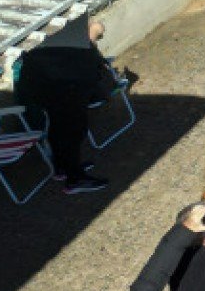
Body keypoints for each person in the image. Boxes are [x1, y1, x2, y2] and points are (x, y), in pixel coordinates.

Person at [12, 16, 122, 195]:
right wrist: (93, 33)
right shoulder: (62, 27)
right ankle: (75, 178)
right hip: (62, 79)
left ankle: (65, 167)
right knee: (73, 128)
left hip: (43, 79)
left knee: (58, 126)